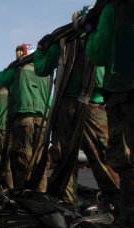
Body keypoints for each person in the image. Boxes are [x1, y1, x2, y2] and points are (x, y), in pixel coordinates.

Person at [33, 7, 120, 210]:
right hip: (95, 109)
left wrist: (39, 50)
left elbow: (41, 68)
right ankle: (119, 204)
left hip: (66, 109)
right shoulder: (103, 34)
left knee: (64, 160)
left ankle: (64, 206)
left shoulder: (63, 41)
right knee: (104, 157)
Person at [85, 0, 134, 228]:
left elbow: (97, 54)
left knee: (125, 159)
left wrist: (90, 31)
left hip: (124, 93)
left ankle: (127, 221)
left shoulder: (113, 8)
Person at [0, 44, 50, 192]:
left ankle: (24, 195)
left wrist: (9, 67)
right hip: (43, 121)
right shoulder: (45, 69)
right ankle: (41, 194)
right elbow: (49, 100)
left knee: (23, 159)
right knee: (40, 161)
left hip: (24, 120)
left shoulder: (17, 69)